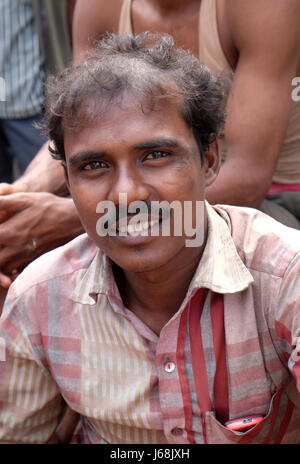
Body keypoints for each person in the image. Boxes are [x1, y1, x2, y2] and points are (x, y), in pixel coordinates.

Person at [0, 33, 300, 444]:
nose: (126, 195)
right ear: (67, 181)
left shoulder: (285, 278)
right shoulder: (37, 301)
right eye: (94, 165)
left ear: (208, 160)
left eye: (156, 155)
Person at [0, 0, 299, 292]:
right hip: (159, 188)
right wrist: (20, 197)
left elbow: (247, 179)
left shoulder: (261, 6)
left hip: (273, 198)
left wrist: (70, 219)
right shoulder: (98, 6)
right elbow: (83, 128)